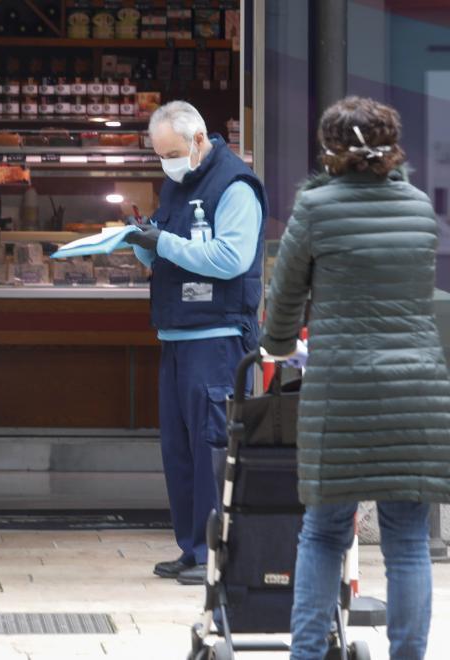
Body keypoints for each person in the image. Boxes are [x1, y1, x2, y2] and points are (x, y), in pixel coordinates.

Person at [262, 97, 450, 660]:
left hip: (341, 390)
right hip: (415, 390)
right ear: (393, 146)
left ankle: (308, 653)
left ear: (329, 150)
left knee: (322, 534)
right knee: (409, 542)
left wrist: (275, 347)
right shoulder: (419, 209)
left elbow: (285, 301)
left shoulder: (316, 209)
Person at [123, 101, 267, 586]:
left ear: (200, 140)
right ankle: (191, 547)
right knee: (179, 449)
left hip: (219, 336)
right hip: (177, 333)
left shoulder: (235, 185)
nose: (167, 162)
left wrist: (160, 242)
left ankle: (215, 553)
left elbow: (230, 257)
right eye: (161, 154)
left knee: (212, 446)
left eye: (173, 152)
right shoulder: (178, 181)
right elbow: (174, 251)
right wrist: (142, 244)